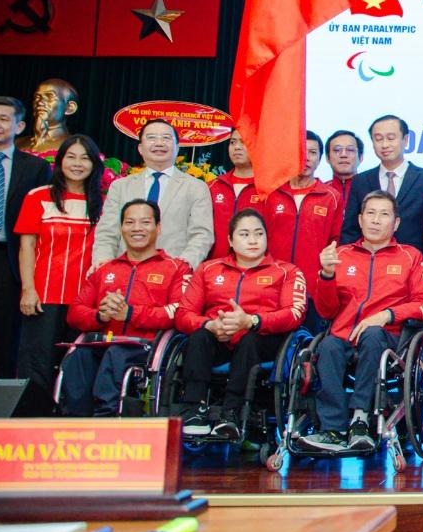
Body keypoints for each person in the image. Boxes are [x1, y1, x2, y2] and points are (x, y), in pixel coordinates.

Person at [302, 191, 423, 454]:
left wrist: (387, 315)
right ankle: (332, 429)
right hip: (345, 335)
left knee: (373, 334)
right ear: (360, 220)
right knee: (327, 346)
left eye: (384, 214)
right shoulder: (341, 254)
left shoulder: (410, 256)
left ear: (396, 223)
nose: (375, 220)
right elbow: (326, 310)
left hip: (389, 339)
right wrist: (326, 275)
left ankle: (360, 419)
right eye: (370, 214)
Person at [175, 209, 307, 438]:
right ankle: (194, 409)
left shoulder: (286, 271)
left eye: (259, 234)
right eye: (244, 234)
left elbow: (294, 314)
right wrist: (210, 325)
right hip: (218, 337)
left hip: (262, 340)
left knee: (249, 340)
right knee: (199, 337)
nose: (253, 240)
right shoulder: (208, 269)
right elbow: (183, 314)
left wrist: (252, 321)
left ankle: (232, 413)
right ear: (230, 240)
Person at [61, 200, 189, 416]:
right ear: (121, 228)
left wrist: (130, 313)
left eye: (145, 222)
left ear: (158, 228)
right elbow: (75, 312)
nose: (137, 228)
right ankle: (75, 421)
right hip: (103, 342)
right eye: (129, 222)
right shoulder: (105, 269)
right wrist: (100, 316)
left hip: (144, 347)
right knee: (80, 356)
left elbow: (180, 313)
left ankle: (107, 418)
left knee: (116, 354)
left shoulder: (176, 268)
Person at [14, 134, 104, 409]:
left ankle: (70, 417)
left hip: (85, 300)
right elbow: (27, 246)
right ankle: (33, 417)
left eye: (85, 158)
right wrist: (28, 289)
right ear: (60, 161)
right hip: (44, 294)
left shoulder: (104, 202)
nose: (77, 164)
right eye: (71, 157)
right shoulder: (39, 197)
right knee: (37, 362)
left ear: (95, 164)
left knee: (77, 364)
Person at [0, 96, 53, 378]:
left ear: (19, 126)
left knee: (5, 338)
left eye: (3, 119)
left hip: (8, 260)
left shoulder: (35, 168)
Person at [94, 118, 213, 269]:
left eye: (166, 138)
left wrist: (181, 267)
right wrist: (104, 264)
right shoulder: (120, 186)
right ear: (140, 148)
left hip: (172, 273)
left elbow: (202, 235)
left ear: (177, 147)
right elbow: (107, 233)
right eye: (151, 138)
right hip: (125, 271)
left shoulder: (196, 187)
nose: (159, 143)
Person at [264, 131, 339, 330]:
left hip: (312, 287)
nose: (306, 158)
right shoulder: (271, 193)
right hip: (272, 284)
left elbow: (336, 241)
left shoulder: (331, 197)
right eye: (301, 152)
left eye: (313, 153)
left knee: (307, 341)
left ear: (320, 158)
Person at [341, 115, 423, 261]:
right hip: (368, 264)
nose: (384, 144)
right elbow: (350, 230)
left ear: (405, 140)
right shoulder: (360, 180)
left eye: (391, 138)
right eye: (378, 139)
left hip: (412, 265)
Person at [209, 129, 268, 259]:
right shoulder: (213, 186)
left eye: (244, 142)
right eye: (232, 142)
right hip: (215, 265)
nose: (237, 147)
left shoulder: (268, 189)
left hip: (253, 265)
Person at [16, 79, 79, 154]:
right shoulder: (18, 143)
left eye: (50, 97)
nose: (40, 102)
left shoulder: (75, 146)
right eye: (37, 97)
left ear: (70, 108)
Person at [324, 129, 363, 207]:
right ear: (327, 158)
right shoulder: (320, 192)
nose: (343, 155)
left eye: (350, 150)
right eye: (337, 150)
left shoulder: (372, 189)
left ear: (361, 158)